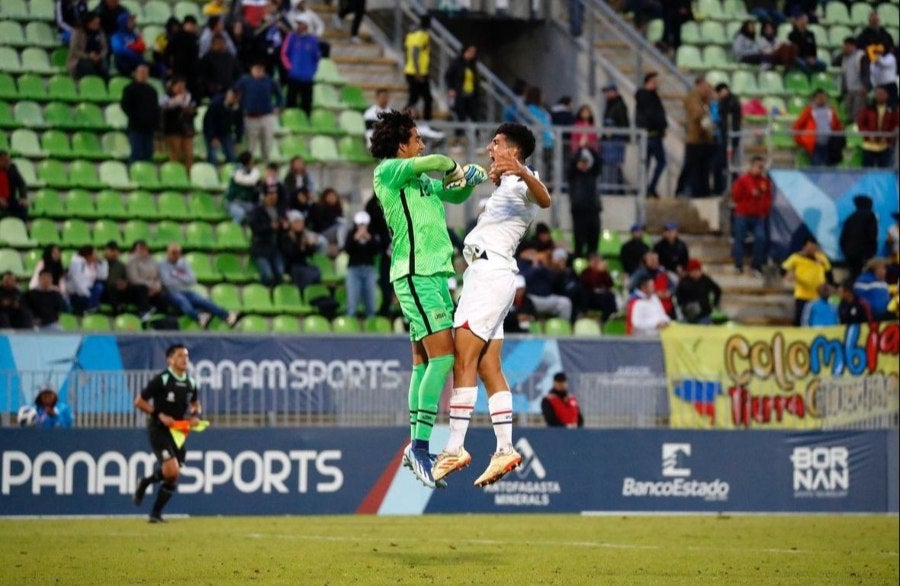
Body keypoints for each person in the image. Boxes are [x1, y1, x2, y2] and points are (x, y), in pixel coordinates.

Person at [369, 109, 484, 488]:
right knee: (445, 356)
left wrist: (469, 179)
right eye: (417, 139)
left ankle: (415, 447)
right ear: (402, 145)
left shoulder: (416, 183)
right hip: (415, 275)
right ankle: (419, 445)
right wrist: (452, 164)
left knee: (423, 362)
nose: (421, 145)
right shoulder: (388, 171)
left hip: (433, 276)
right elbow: (437, 163)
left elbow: (453, 192)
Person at [432, 122, 549, 488]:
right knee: (487, 365)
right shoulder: (507, 184)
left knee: (462, 358)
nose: (489, 148)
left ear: (512, 150)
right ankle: (504, 448)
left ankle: (454, 446)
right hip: (491, 276)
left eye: (495, 143)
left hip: (488, 274)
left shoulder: (524, 179)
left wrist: (522, 171)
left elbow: (545, 199)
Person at [132, 343, 201, 523]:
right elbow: (139, 401)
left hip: (177, 431)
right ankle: (147, 489)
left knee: (173, 475)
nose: (184, 359)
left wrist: (195, 415)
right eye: (180, 356)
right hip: (158, 428)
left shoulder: (191, 382)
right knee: (172, 470)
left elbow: (195, 403)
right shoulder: (162, 379)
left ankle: (154, 508)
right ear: (169, 360)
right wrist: (158, 414)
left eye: (186, 356)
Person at [160, 244, 239, 328]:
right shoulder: (162, 264)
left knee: (204, 301)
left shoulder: (183, 263)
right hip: (171, 292)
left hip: (186, 290)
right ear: (168, 253)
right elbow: (167, 282)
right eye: (173, 253)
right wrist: (183, 278)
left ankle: (227, 315)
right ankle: (199, 317)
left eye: (177, 253)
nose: (175, 256)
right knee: (183, 302)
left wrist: (177, 275)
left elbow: (192, 280)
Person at [233, 61, 284, 163]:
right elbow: (234, 91)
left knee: (267, 143)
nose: (258, 70)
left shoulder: (270, 81)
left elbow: (280, 95)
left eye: (260, 68)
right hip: (250, 117)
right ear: (251, 69)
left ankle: (266, 163)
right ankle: (247, 165)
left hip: (266, 116)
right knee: (250, 145)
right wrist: (239, 105)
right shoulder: (245, 80)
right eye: (256, 68)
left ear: (263, 69)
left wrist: (278, 106)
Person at [731, 156, 772, 275]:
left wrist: (765, 211)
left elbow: (768, 198)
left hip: (758, 216)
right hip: (743, 214)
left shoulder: (765, 182)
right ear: (752, 166)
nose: (761, 169)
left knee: (761, 238)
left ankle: (755, 266)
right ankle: (738, 265)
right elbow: (736, 196)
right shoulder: (743, 180)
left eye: (762, 167)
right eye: (759, 167)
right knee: (739, 239)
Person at [782, 236, 832, 326]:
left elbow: (829, 272)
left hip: (818, 297)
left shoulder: (821, 258)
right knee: (800, 321)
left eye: (813, 247)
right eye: (809, 247)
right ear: (804, 247)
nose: (811, 250)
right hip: (803, 296)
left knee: (816, 321)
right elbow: (783, 269)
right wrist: (790, 274)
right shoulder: (796, 257)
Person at [679, 76, 715, 198]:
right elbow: (696, 115)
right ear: (699, 86)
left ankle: (704, 191)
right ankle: (683, 190)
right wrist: (705, 109)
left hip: (705, 139)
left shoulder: (706, 101)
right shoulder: (692, 98)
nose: (707, 90)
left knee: (704, 168)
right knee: (691, 166)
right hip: (694, 139)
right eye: (705, 87)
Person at [100, 241, 153, 319]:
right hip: (106, 291)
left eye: (116, 251)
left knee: (141, 287)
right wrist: (113, 283)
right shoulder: (99, 263)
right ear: (106, 251)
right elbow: (98, 279)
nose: (114, 253)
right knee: (111, 287)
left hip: (119, 291)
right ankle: (117, 311)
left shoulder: (121, 265)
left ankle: (144, 312)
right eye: (111, 251)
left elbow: (126, 279)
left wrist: (125, 283)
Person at [342, 210, 380, 318]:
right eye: (360, 224)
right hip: (354, 270)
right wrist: (356, 238)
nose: (362, 227)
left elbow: (376, 251)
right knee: (352, 303)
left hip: (369, 270)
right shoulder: (351, 234)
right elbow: (347, 249)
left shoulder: (372, 234)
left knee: (370, 302)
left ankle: (371, 329)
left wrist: (369, 238)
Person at [635, 72, 667, 198]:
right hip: (648, 135)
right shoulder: (643, 95)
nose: (657, 84)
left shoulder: (655, 97)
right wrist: (660, 123)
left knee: (660, 162)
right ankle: (645, 189)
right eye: (654, 82)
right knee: (646, 163)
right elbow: (652, 115)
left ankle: (651, 187)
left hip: (656, 135)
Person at [281, 15, 320, 116]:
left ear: (306, 25)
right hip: (294, 76)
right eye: (298, 24)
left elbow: (316, 57)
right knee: (291, 102)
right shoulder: (291, 37)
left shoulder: (313, 40)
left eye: (300, 24)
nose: (298, 26)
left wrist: (312, 71)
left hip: (307, 78)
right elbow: (284, 53)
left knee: (306, 104)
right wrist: (290, 67)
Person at [793, 89, 844, 167]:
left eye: (823, 97)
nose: (822, 99)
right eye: (819, 97)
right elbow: (797, 125)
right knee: (816, 169)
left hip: (829, 145)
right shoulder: (809, 110)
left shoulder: (831, 110)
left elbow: (837, 126)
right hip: (815, 145)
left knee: (830, 170)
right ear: (814, 98)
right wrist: (800, 140)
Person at [120, 64, 160, 164]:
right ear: (135, 74)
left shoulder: (152, 91)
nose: (143, 75)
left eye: (145, 73)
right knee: (136, 153)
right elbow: (125, 106)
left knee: (148, 154)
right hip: (135, 127)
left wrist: (156, 126)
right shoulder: (129, 89)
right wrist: (135, 117)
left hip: (149, 128)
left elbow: (155, 110)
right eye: (141, 72)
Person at [567, 146, 601, 259]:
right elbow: (571, 163)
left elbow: (598, 162)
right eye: (581, 162)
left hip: (593, 211)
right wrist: (580, 148)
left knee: (594, 240)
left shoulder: (592, 174)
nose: (584, 165)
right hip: (579, 212)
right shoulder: (573, 176)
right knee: (579, 240)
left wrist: (590, 147)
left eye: (586, 162)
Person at [248, 186, 286, 286]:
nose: (273, 197)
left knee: (280, 273)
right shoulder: (257, 211)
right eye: (270, 194)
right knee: (267, 275)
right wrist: (270, 226)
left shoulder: (279, 210)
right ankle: (263, 292)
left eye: (275, 194)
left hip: (275, 248)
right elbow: (255, 227)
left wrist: (284, 226)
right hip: (261, 247)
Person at [280, 209, 322, 293]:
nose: (299, 224)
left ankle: (313, 293)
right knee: (305, 273)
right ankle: (303, 293)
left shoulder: (304, 236)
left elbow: (309, 254)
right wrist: (301, 246)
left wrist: (310, 245)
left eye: (301, 222)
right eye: (297, 222)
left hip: (302, 264)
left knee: (316, 270)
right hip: (292, 266)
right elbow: (291, 254)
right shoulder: (286, 237)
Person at [858, 87, 899, 169]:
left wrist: (890, 135)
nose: (880, 96)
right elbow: (861, 124)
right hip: (869, 146)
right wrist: (868, 134)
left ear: (887, 95)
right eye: (878, 94)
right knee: (867, 172)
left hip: (886, 146)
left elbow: (896, 124)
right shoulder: (867, 109)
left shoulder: (893, 110)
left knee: (885, 173)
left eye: (882, 94)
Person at [160, 77, 196, 170]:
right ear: (173, 87)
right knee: (175, 154)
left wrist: (190, 111)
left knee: (189, 155)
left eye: (183, 86)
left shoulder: (188, 97)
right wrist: (175, 103)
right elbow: (163, 110)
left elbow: (194, 112)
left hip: (186, 130)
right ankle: (175, 174)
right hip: (173, 130)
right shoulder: (166, 98)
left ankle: (189, 175)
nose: (181, 88)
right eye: (179, 86)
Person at [840, 194, 878, 279]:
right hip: (863, 253)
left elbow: (844, 236)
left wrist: (845, 250)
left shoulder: (851, 217)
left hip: (849, 252)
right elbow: (872, 235)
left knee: (853, 274)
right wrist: (872, 251)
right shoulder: (870, 215)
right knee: (861, 275)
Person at [713, 82, 742, 195]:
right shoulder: (723, 102)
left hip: (730, 138)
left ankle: (728, 188)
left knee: (725, 164)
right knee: (723, 164)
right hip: (725, 137)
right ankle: (723, 188)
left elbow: (730, 113)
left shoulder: (732, 101)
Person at [600, 84, 629, 193]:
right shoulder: (610, 104)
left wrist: (614, 132)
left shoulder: (619, 105)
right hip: (609, 141)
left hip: (615, 141)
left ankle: (613, 190)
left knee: (613, 165)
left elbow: (623, 124)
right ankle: (612, 189)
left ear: (615, 92)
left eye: (609, 91)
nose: (606, 94)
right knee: (609, 165)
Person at [404, 14, 433, 121]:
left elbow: (407, 52)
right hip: (417, 72)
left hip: (412, 70)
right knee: (422, 99)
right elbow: (415, 53)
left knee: (419, 99)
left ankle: (404, 120)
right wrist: (417, 72)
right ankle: (426, 122)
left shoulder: (411, 35)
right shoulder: (422, 35)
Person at [629, 250, 675, 318]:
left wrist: (669, 292)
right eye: (652, 259)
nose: (655, 262)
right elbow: (633, 290)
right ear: (646, 261)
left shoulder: (662, 272)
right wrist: (654, 294)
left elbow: (673, 286)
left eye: (656, 259)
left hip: (666, 307)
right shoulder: (639, 274)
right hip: (648, 308)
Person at [675, 258, 721, 324]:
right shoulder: (684, 282)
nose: (695, 273)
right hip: (689, 315)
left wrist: (714, 304)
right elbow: (678, 296)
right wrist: (684, 306)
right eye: (693, 271)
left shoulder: (706, 279)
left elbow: (717, 290)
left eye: (697, 271)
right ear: (689, 272)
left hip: (704, 315)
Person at [126, 240, 168, 312]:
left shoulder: (152, 260)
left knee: (163, 291)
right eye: (140, 249)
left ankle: (162, 316)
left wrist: (157, 286)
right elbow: (134, 279)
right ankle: (144, 313)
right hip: (137, 288)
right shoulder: (131, 261)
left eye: (144, 248)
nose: (142, 251)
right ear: (134, 250)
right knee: (142, 288)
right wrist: (150, 285)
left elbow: (158, 276)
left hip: (153, 287)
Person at [202, 90, 241, 165]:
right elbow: (208, 122)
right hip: (212, 132)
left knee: (231, 156)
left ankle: (231, 174)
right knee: (212, 157)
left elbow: (239, 125)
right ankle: (213, 173)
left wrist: (238, 140)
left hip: (225, 132)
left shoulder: (237, 107)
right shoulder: (215, 104)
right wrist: (212, 137)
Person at [165, 15, 200, 96]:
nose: (193, 27)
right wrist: (169, 67)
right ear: (185, 24)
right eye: (191, 25)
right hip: (179, 71)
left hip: (192, 73)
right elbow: (167, 53)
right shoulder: (177, 36)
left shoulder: (194, 38)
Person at [444, 45, 480, 123]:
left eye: (474, 52)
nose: (472, 54)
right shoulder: (457, 63)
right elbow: (448, 76)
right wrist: (451, 88)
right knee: (460, 115)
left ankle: (476, 133)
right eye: (470, 52)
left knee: (474, 115)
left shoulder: (473, 65)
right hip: (460, 93)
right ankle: (460, 134)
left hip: (471, 94)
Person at [68, 11, 108, 79]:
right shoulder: (78, 32)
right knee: (89, 69)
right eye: (94, 23)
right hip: (80, 59)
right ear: (88, 23)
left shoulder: (100, 32)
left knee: (104, 71)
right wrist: (88, 56)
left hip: (97, 59)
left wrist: (100, 56)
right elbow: (74, 50)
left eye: (98, 23)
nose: (97, 25)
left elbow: (105, 48)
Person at [198, 33, 240, 99]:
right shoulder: (207, 58)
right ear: (212, 44)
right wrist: (211, 86)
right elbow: (203, 75)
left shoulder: (229, 56)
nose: (221, 45)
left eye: (222, 43)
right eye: (218, 43)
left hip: (230, 90)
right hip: (214, 91)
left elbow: (237, 72)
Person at [67, 245, 105, 315]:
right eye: (95, 254)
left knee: (100, 286)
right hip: (77, 293)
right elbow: (78, 282)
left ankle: (90, 307)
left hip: (88, 289)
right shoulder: (77, 264)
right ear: (88, 255)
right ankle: (87, 308)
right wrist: (87, 295)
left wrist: (102, 263)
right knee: (98, 288)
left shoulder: (92, 264)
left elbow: (103, 276)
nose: (96, 256)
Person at [579, 253, 617, 322]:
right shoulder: (585, 272)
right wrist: (599, 272)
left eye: (597, 261)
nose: (595, 263)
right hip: (590, 297)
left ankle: (611, 317)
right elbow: (590, 284)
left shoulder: (603, 272)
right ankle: (604, 319)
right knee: (606, 298)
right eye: (594, 261)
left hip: (602, 296)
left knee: (610, 296)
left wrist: (605, 272)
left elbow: (610, 284)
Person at [225, 151, 261, 224]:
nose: (253, 163)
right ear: (248, 162)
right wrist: (256, 171)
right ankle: (233, 232)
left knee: (260, 211)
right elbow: (251, 181)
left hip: (247, 203)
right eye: (252, 161)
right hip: (233, 202)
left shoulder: (251, 171)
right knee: (239, 214)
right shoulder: (237, 171)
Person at [839, 37, 867, 124]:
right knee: (847, 114)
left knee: (857, 115)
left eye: (845, 46)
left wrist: (865, 86)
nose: (844, 48)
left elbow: (866, 71)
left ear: (852, 46)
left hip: (859, 90)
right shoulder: (845, 58)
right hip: (849, 90)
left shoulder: (861, 56)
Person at [0, 151, 29, 221]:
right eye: (6, 161)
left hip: (9, 200)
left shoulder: (12, 168)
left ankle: (19, 227)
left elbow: (21, 184)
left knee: (23, 208)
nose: (8, 163)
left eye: (9, 160)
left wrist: (23, 197)